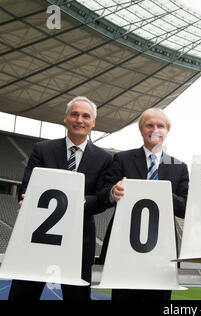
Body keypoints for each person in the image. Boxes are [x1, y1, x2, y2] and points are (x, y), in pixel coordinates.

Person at [8, 96, 113, 300]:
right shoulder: (42, 149)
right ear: (65, 118)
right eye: (74, 114)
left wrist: (72, 203)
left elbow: (102, 199)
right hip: (37, 240)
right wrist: (26, 201)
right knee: (22, 294)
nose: (79, 120)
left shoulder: (105, 159)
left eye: (85, 116)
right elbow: (27, 187)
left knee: (77, 297)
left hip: (79, 243)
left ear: (93, 122)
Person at [98, 107, 189, 301]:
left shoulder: (179, 167)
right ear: (141, 130)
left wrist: (163, 193)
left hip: (163, 254)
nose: (155, 129)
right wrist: (114, 192)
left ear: (167, 131)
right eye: (149, 125)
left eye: (160, 125)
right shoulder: (121, 159)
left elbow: (186, 208)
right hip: (124, 251)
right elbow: (103, 194)